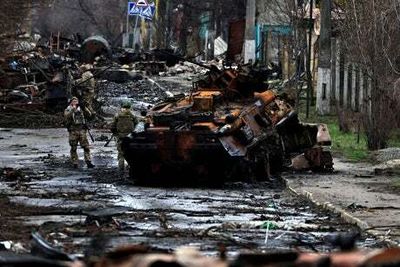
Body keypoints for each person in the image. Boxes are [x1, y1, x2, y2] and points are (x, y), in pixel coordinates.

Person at [64, 97, 95, 169]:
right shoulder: (68, 108)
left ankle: (88, 161)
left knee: (86, 147)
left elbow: (89, 114)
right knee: (73, 147)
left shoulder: (81, 108)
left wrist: (84, 107)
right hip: (73, 131)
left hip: (82, 130)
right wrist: (73, 109)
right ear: (71, 102)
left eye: (76, 101)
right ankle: (75, 163)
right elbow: (66, 116)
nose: (75, 102)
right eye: (73, 101)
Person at [111, 101, 138, 171]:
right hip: (130, 137)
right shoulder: (133, 115)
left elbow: (112, 126)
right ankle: (131, 167)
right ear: (130, 107)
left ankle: (121, 168)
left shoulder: (117, 115)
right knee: (131, 153)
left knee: (121, 153)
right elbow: (137, 125)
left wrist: (116, 133)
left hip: (120, 137)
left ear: (122, 107)